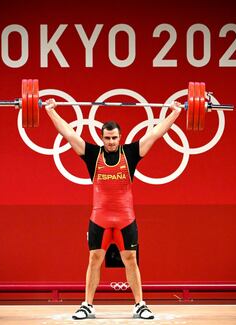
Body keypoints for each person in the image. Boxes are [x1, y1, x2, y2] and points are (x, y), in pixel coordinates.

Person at [44, 99, 182, 320]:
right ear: (102, 138)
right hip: (99, 219)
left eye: (114, 138)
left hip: (126, 219)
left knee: (131, 260)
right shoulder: (92, 155)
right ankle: (87, 305)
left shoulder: (131, 153)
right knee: (94, 260)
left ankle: (140, 305)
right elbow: (69, 135)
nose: (110, 142)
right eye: (107, 138)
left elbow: (156, 134)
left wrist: (175, 113)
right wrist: (51, 112)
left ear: (120, 137)